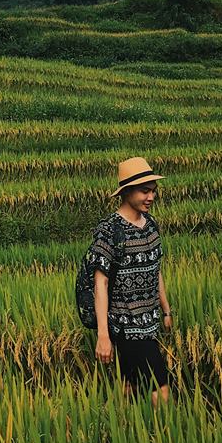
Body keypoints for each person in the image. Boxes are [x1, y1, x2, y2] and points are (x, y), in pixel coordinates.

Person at [86, 156, 172, 404]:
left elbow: (155, 269)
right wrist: (103, 335)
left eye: (153, 192)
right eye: (145, 191)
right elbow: (100, 283)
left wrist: (166, 310)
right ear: (126, 192)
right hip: (126, 325)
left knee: (130, 385)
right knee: (161, 388)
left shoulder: (151, 224)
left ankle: (127, 428)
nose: (151, 197)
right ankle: (165, 436)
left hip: (150, 321)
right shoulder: (109, 230)